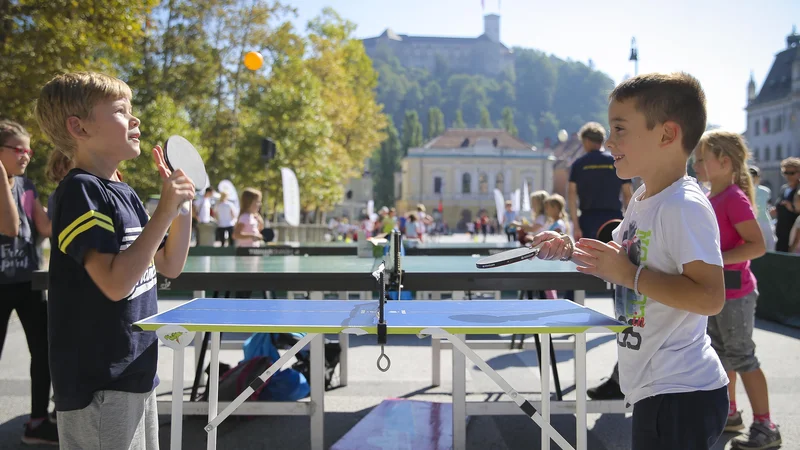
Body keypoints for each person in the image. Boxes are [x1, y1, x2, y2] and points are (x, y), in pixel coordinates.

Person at [532, 72, 729, 450]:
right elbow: (619, 260)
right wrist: (568, 247)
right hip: (653, 389)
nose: (609, 142)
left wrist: (630, 275)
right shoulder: (642, 199)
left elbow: (710, 298)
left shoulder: (683, 206)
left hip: (681, 393)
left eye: (620, 130)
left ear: (666, 135)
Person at [36, 71, 194, 449]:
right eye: (122, 111)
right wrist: (164, 211)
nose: (135, 119)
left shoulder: (123, 191)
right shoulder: (79, 191)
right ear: (79, 127)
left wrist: (181, 209)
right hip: (99, 383)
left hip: (135, 371)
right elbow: (114, 283)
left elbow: (169, 264)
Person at [693, 130, 781, 449]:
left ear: (724, 162)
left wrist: (716, 261)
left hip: (736, 293)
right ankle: (730, 414)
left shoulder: (733, 197)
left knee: (742, 357)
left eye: (702, 159)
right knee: (720, 356)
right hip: (718, 292)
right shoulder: (708, 195)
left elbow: (756, 246)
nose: (696, 164)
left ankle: (765, 425)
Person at [0, 120, 58, 445]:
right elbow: (9, 226)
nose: (26, 155)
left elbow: (45, 227)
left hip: (29, 282)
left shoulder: (28, 185)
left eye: (28, 149)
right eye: (18, 149)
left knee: (43, 350)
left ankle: (37, 422)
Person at [568, 121, 633, 241]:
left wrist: (576, 226)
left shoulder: (578, 164)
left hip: (588, 220)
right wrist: (630, 223)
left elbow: (571, 196)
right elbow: (627, 194)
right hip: (614, 219)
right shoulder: (616, 161)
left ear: (586, 141)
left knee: (589, 259)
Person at [774, 157, 800, 252]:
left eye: (792, 173)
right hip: (781, 231)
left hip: (794, 235)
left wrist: (792, 208)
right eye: (785, 173)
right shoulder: (784, 189)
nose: (788, 176)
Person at [748, 166, 776, 251]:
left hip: (753, 222)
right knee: (769, 246)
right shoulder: (766, 191)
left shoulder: (742, 190)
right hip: (762, 222)